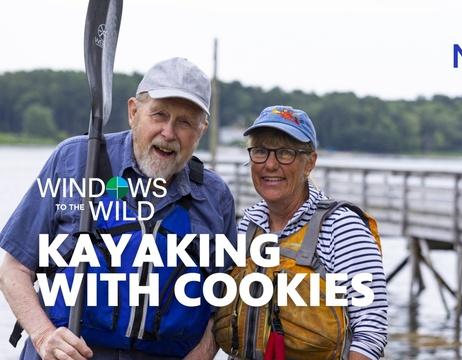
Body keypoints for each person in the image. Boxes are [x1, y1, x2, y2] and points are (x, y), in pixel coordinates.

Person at [0, 58, 237, 360]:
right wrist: (44, 336)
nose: (168, 132)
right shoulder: (75, 161)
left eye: (185, 122)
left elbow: (224, 300)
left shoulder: (215, 196)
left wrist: (201, 355)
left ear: (201, 130)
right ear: (133, 112)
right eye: (159, 115)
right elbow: (14, 268)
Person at [213, 106, 388, 360]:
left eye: (285, 153)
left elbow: (370, 332)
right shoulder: (245, 227)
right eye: (260, 151)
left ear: (310, 162)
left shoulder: (342, 228)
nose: (270, 164)